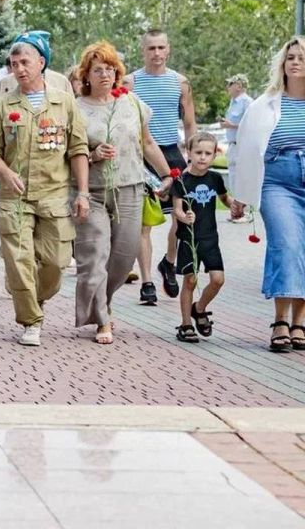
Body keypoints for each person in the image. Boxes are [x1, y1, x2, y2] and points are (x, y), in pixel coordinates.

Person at [0, 31, 90, 347]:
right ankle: (31, 320)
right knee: (18, 260)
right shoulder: (3, 105)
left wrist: (82, 193)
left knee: (56, 262)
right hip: (15, 197)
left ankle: (29, 295)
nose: (19, 69)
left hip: (55, 194)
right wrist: (4, 173)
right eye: (14, 64)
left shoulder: (64, 102)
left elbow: (78, 148)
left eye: (25, 62)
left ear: (41, 63)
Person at [72, 43, 171, 345]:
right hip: (92, 191)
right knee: (94, 258)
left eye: (110, 69)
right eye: (98, 70)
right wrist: (92, 154)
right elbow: (68, 153)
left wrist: (167, 174)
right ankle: (103, 319)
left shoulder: (131, 102)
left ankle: (104, 300)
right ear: (86, 75)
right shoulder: (75, 108)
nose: (105, 74)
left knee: (124, 258)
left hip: (130, 187)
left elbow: (148, 142)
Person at [232, 37, 305, 353]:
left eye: (302, 57)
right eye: (291, 57)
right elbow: (246, 150)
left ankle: (300, 323)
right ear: (282, 64)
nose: (296, 62)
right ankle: (279, 320)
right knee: (286, 243)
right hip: (278, 182)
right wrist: (240, 194)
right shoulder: (264, 104)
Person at [124, 29, 196, 306]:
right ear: (143, 51)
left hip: (172, 153)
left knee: (182, 219)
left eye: (161, 48)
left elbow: (189, 122)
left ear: (168, 50)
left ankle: (169, 262)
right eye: (151, 48)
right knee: (144, 224)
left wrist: (192, 156)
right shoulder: (130, 82)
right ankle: (147, 283)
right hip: (142, 155)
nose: (156, 53)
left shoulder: (181, 83)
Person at [170, 132, 233, 343]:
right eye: (198, 152)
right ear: (189, 153)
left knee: (218, 279)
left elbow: (226, 199)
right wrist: (184, 217)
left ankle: (200, 308)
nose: (203, 157)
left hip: (210, 238)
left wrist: (236, 206)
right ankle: (186, 324)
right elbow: (176, 209)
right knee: (190, 280)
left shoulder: (215, 179)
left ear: (215, 155)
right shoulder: (182, 181)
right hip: (189, 238)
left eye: (208, 153)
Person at [221, 73, 253, 217]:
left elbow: (251, 125)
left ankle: (243, 210)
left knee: (242, 177)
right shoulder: (233, 102)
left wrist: (231, 125)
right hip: (232, 145)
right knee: (233, 177)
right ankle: (237, 211)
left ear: (239, 86)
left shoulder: (248, 102)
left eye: (230, 84)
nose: (228, 87)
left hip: (242, 145)